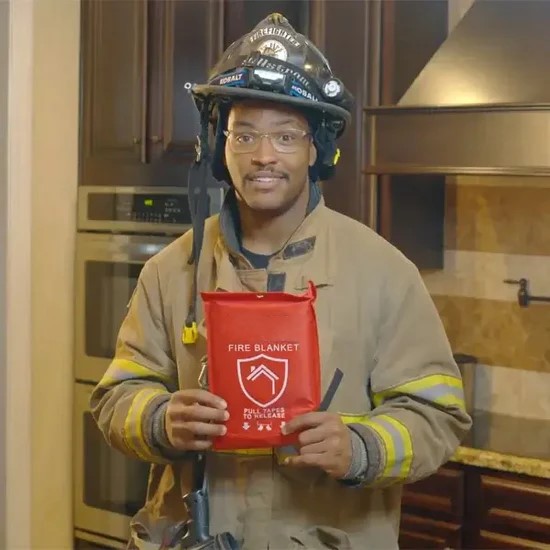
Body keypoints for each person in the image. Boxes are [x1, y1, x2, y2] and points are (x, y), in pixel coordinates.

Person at [91, 13, 471, 550]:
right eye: (244, 134)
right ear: (219, 148)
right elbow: (114, 399)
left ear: (317, 149)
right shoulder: (170, 270)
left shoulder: (384, 273)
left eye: (286, 136)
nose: (263, 155)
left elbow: (438, 415)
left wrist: (360, 447)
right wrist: (160, 420)